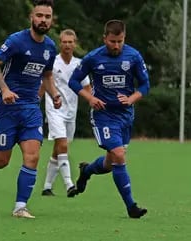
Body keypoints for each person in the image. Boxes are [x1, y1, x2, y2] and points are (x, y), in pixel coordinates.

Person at [0, 0, 60, 219]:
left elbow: (46, 75)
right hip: (6, 108)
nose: (43, 20)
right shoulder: (16, 41)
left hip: (31, 109)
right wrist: (5, 90)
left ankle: (20, 207)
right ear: (31, 17)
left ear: (51, 19)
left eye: (47, 16)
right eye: (39, 15)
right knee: (1, 161)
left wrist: (54, 94)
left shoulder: (50, 47)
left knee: (33, 157)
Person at [68, 19, 149, 218]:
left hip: (125, 116)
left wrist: (131, 99)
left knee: (110, 162)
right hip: (104, 116)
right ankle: (131, 207)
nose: (116, 45)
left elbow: (145, 85)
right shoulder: (93, 58)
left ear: (124, 38)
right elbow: (73, 81)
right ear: (105, 38)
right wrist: (90, 98)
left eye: (120, 41)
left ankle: (87, 171)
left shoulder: (133, 56)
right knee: (119, 156)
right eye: (112, 41)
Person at [41, 29, 91, 197]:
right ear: (60, 43)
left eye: (71, 42)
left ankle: (47, 186)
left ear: (75, 43)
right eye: (64, 42)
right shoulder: (52, 62)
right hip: (54, 109)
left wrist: (95, 103)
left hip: (71, 111)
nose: (68, 45)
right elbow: (44, 83)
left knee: (59, 148)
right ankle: (69, 184)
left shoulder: (79, 64)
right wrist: (35, 101)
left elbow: (87, 88)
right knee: (62, 144)